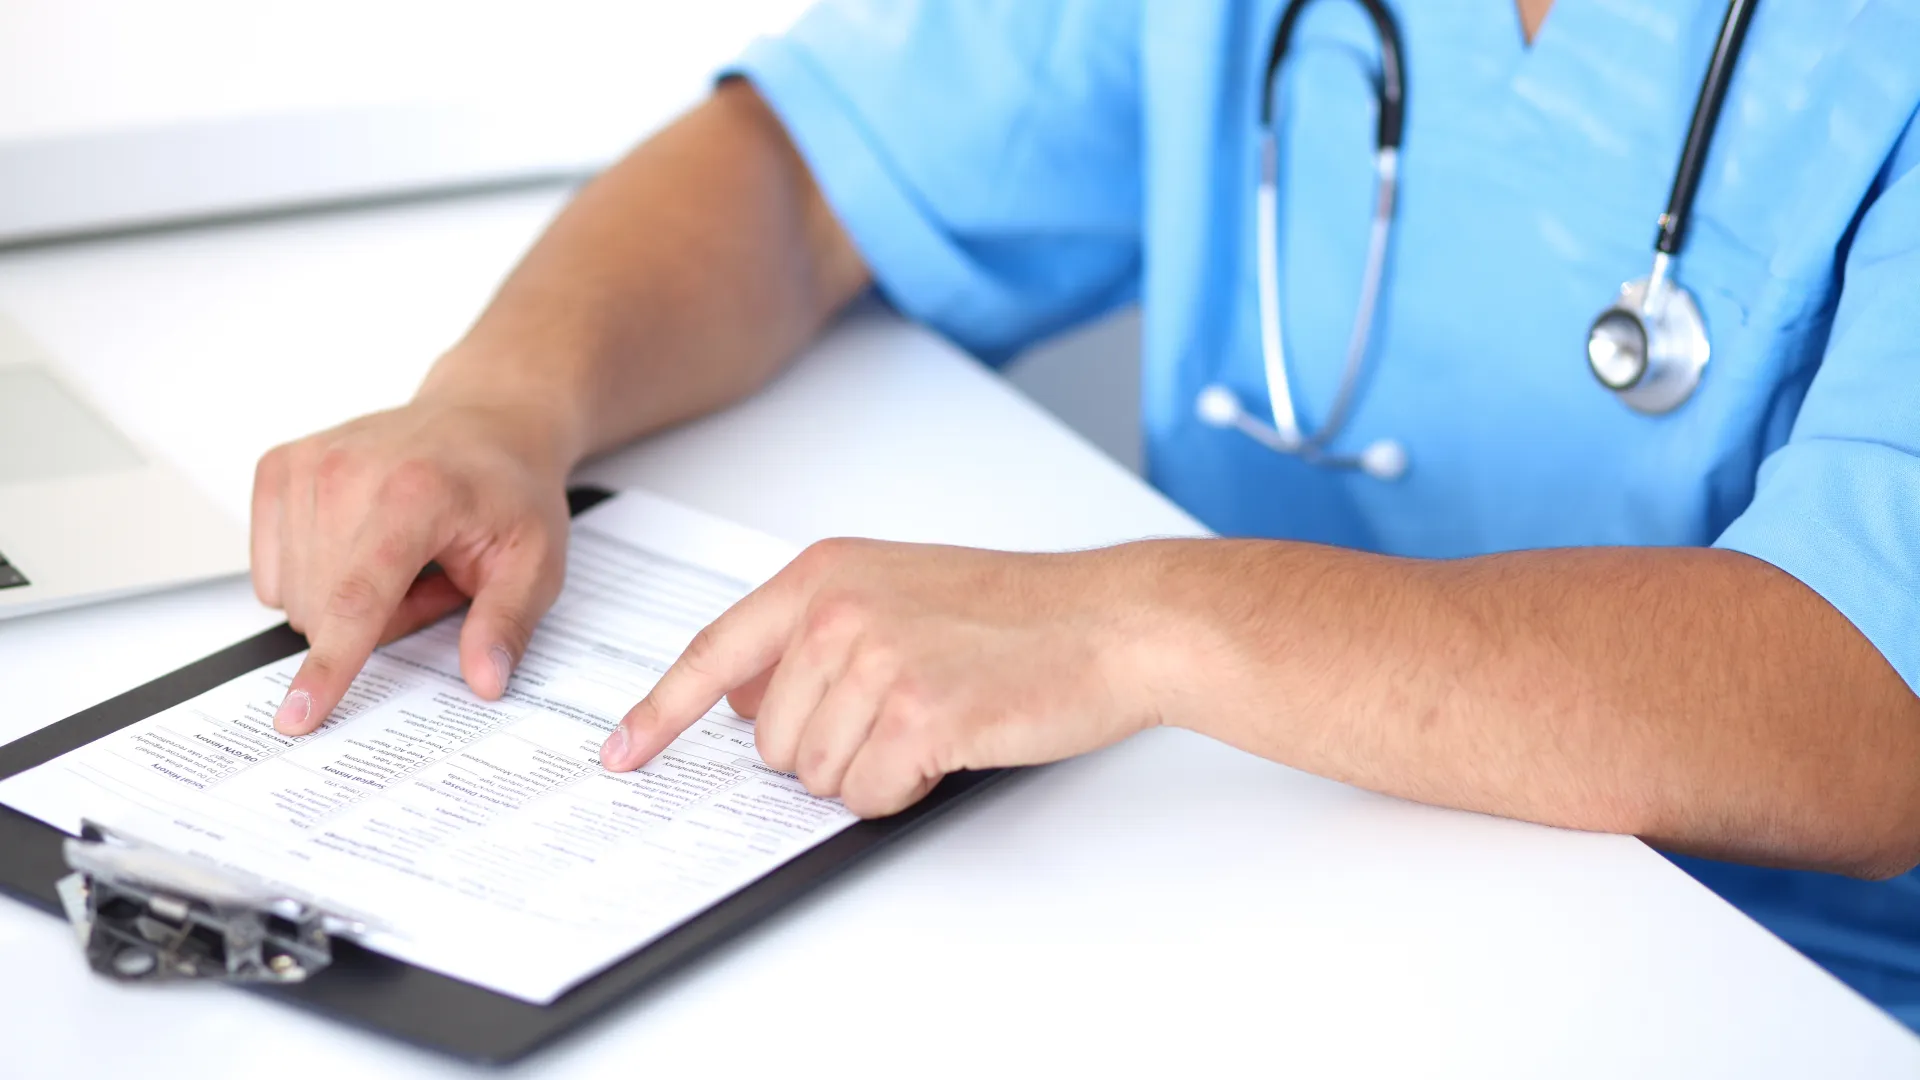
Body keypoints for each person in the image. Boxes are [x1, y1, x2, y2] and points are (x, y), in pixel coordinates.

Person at [249, 0, 1920, 1027]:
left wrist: (1141, 619)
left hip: (1747, 994)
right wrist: (500, 400)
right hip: (1226, 871)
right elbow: (812, 175)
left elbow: (1868, 713)